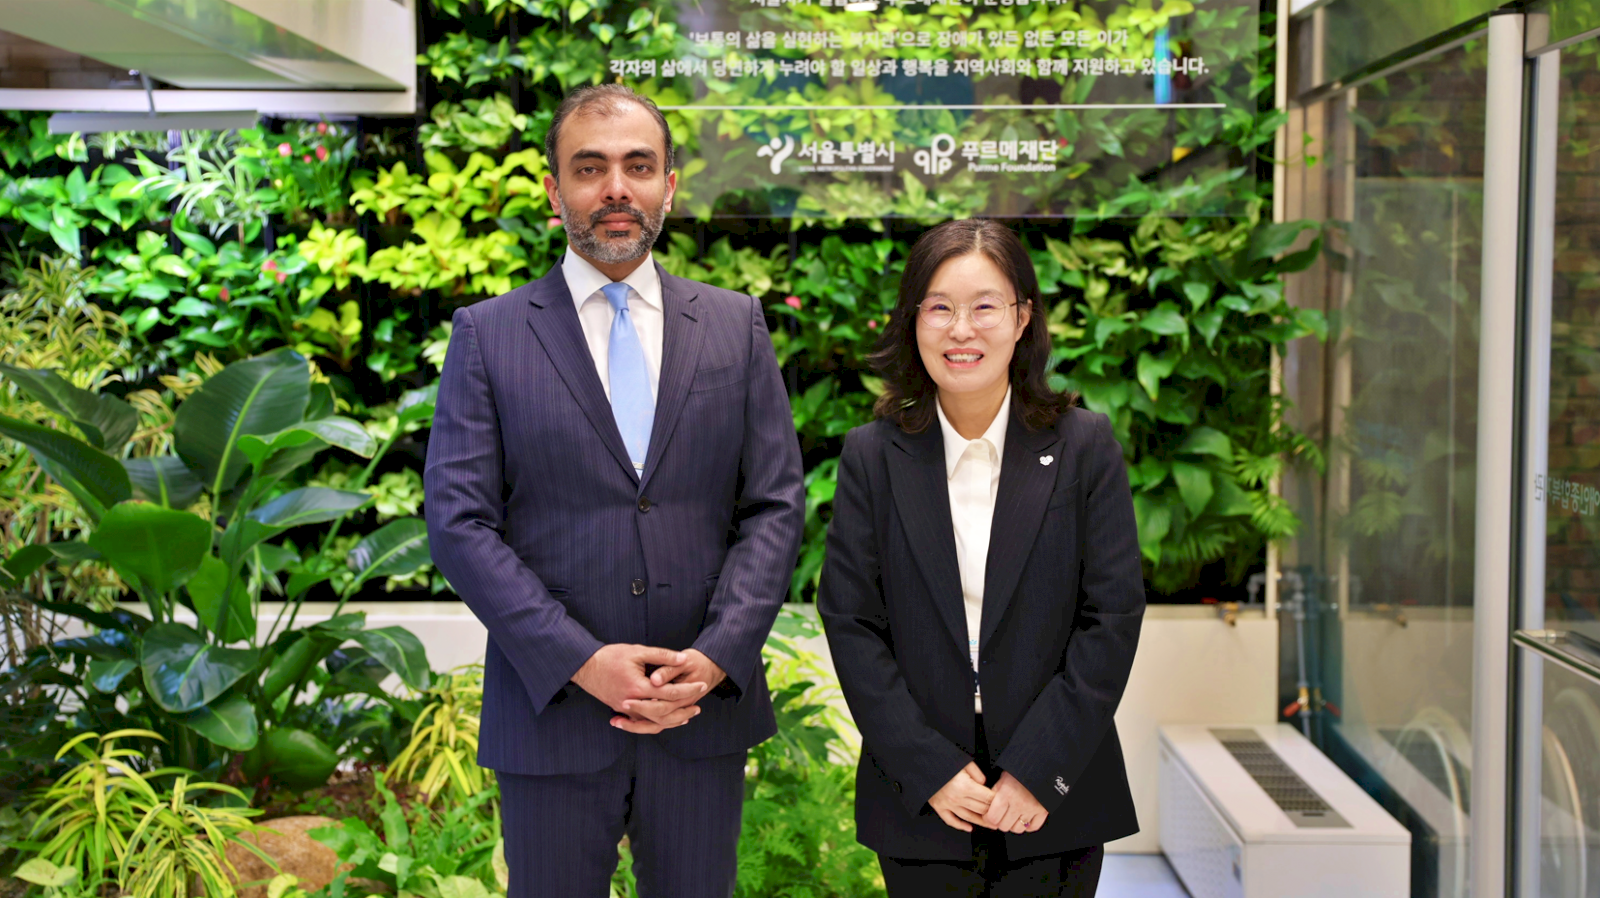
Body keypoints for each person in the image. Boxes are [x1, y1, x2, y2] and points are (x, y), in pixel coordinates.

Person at [423, 83, 805, 898]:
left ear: (669, 185)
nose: (616, 188)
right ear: (554, 190)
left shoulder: (735, 326)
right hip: (553, 716)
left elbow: (774, 504)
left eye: (639, 165)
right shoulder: (488, 335)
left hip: (699, 713)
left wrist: (720, 654)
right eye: (590, 168)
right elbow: (459, 523)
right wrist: (581, 661)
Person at [816, 219, 1145, 897]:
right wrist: (929, 769)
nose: (961, 330)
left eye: (985, 307)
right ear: (913, 321)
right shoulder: (872, 457)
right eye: (939, 307)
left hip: (1054, 795)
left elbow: (1111, 617)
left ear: (1022, 318)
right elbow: (851, 623)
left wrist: (1037, 769)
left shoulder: (1084, 446)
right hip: (925, 798)